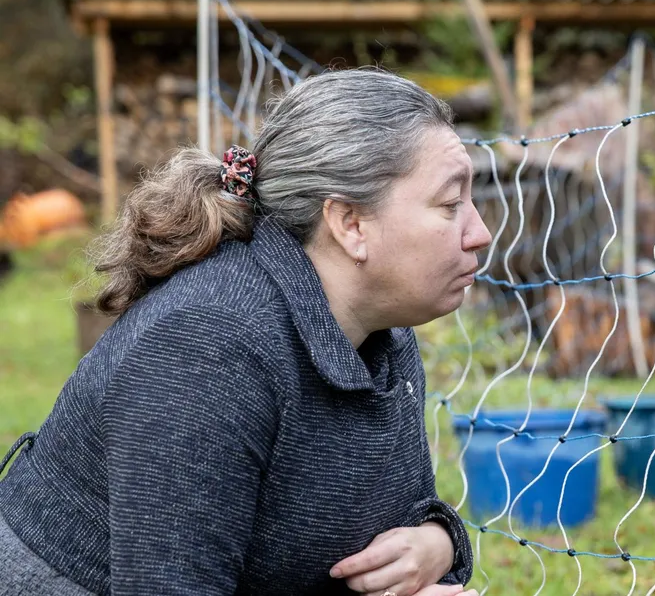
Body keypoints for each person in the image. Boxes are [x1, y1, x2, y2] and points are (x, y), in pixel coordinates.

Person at [0, 68, 490, 596]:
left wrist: (439, 542)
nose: (479, 232)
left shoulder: (379, 334)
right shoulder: (207, 348)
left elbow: (397, 517)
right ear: (349, 224)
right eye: (448, 205)